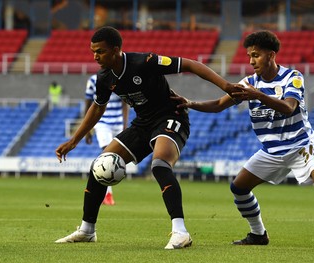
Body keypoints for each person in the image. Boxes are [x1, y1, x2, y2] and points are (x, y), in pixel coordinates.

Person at [171, 30, 314, 252]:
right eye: (249, 55)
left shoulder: (292, 77)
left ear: (271, 55)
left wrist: (257, 95)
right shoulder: (248, 83)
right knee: (238, 187)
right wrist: (190, 103)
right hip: (271, 151)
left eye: (256, 55)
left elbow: (288, 108)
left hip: (301, 147)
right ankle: (258, 234)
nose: (251, 61)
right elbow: (219, 105)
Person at [54, 26, 239, 249]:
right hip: (143, 123)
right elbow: (97, 107)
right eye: (93, 51)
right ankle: (87, 230)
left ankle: (181, 232)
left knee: (160, 165)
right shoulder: (104, 77)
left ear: (116, 50)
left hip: (172, 116)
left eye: (100, 51)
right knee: (99, 165)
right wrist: (74, 140)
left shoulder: (145, 62)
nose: (95, 56)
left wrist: (226, 86)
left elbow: (190, 64)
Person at [84, 74, 129, 205]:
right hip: (102, 122)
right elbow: (88, 104)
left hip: (118, 123)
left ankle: (105, 190)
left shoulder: (120, 78)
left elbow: (124, 103)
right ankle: (107, 194)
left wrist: (125, 126)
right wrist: (87, 129)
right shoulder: (93, 80)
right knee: (107, 156)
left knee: (115, 158)